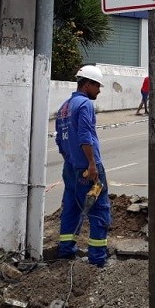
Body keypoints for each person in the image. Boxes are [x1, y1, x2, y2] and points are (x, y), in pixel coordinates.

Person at [55, 65, 112, 267]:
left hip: (70, 168)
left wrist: (71, 161)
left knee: (71, 208)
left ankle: (66, 251)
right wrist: (92, 164)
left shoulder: (63, 107)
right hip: (88, 168)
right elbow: (85, 136)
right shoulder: (85, 104)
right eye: (97, 86)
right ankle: (97, 258)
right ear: (87, 84)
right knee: (99, 210)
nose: (99, 90)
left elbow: (60, 142)